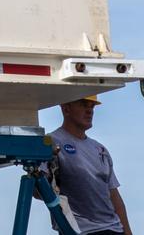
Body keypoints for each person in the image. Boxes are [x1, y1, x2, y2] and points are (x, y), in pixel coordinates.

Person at [47, 95, 134, 235]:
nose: (90, 110)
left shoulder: (100, 150)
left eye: (91, 106)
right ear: (66, 108)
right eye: (83, 104)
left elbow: (114, 197)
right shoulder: (51, 142)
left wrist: (128, 232)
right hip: (80, 230)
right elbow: (38, 190)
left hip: (114, 229)